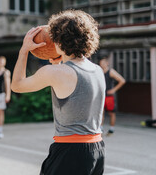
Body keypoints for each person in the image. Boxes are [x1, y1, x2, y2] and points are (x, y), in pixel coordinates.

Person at [11, 10, 106, 175]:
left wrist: (24, 50)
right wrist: (59, 64)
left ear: (60, 40)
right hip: (97, 149)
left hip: (71, 151)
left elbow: (17, 85)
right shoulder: (97, 70)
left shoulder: (56, 73)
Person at [99, 55, 126, 136]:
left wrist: (114, 90)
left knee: (111, 113)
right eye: (101, 63)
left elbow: (122, 80)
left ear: (107, 63)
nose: (102, 64)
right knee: (101, 112)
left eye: (103, 62)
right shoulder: (99, 71)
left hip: (109, 96)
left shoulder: (110, 71)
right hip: (101, 95)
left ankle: (111, 129)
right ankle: (101, 128)